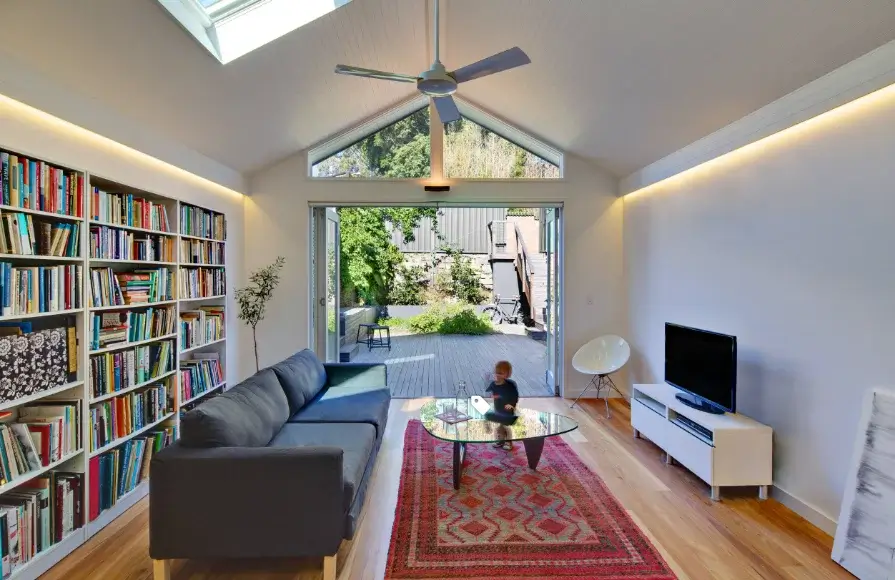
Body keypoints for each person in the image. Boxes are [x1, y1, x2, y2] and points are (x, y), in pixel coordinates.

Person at [485, 360, 519, 451]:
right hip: (498, 409)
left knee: (506, 427)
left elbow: (515, 396)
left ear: (507, 375)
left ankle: (509, 441)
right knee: (500, 427)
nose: (498, 375)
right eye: (496, 373)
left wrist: (511, 404)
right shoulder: (493, 384)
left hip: (507, 411)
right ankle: (501, 440)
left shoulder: (510, 385)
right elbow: (487, 392)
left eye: (500, 373)